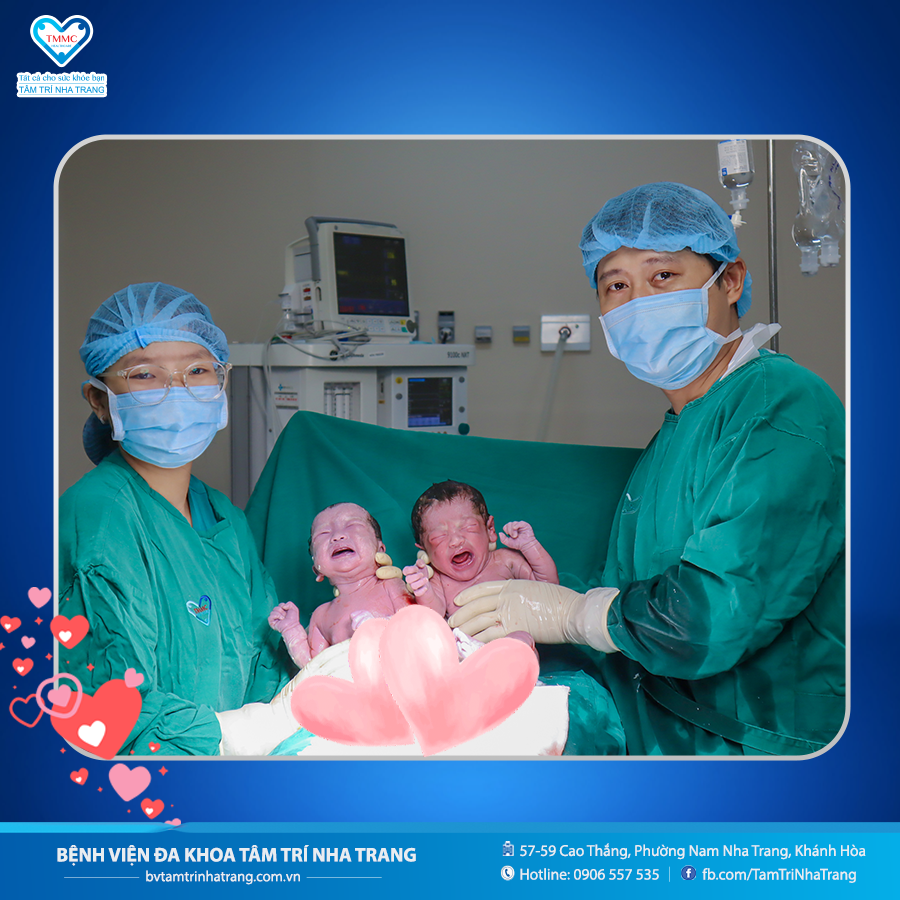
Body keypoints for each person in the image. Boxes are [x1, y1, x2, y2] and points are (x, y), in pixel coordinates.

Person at [450, 183, 845, 756]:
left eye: (662, 276)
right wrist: (537, 601)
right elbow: (635, 589)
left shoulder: (780, 408)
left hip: (756, 744)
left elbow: (718, 612)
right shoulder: (677, 432)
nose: (638, 303)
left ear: (730, 281)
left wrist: (575, 615)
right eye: (616, 286)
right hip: (667, 720)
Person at [59, 282, 297, 756]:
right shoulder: (99, 518)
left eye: (198, 370)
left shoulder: (224, 518)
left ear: (221, 383)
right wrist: (228, 741)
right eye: (145, 374)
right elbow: (111, 705)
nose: (178, 391)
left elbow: (269, 657)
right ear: (100, 401)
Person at [268, 502, 414, 666]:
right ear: (316, 569)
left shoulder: (390, 586)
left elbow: (416, 625)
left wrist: (380, 626)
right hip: (348, 681)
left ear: (380, 549)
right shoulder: (322, 615)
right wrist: (291, 630)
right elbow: (314, 667)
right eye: (323, 534)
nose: (337, 536)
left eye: (352, 526)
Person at [403, 480, 559, 616]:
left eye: (468, 527)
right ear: (425, 551)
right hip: (467, 641)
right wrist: (422, 588)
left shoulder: (505, 561)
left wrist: (530, 545)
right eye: (439, 537)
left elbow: (549, 588)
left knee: (521, 636)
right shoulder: (437, 580)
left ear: (490, 530)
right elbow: (433, 616)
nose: (455, 541)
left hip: (516, 634)